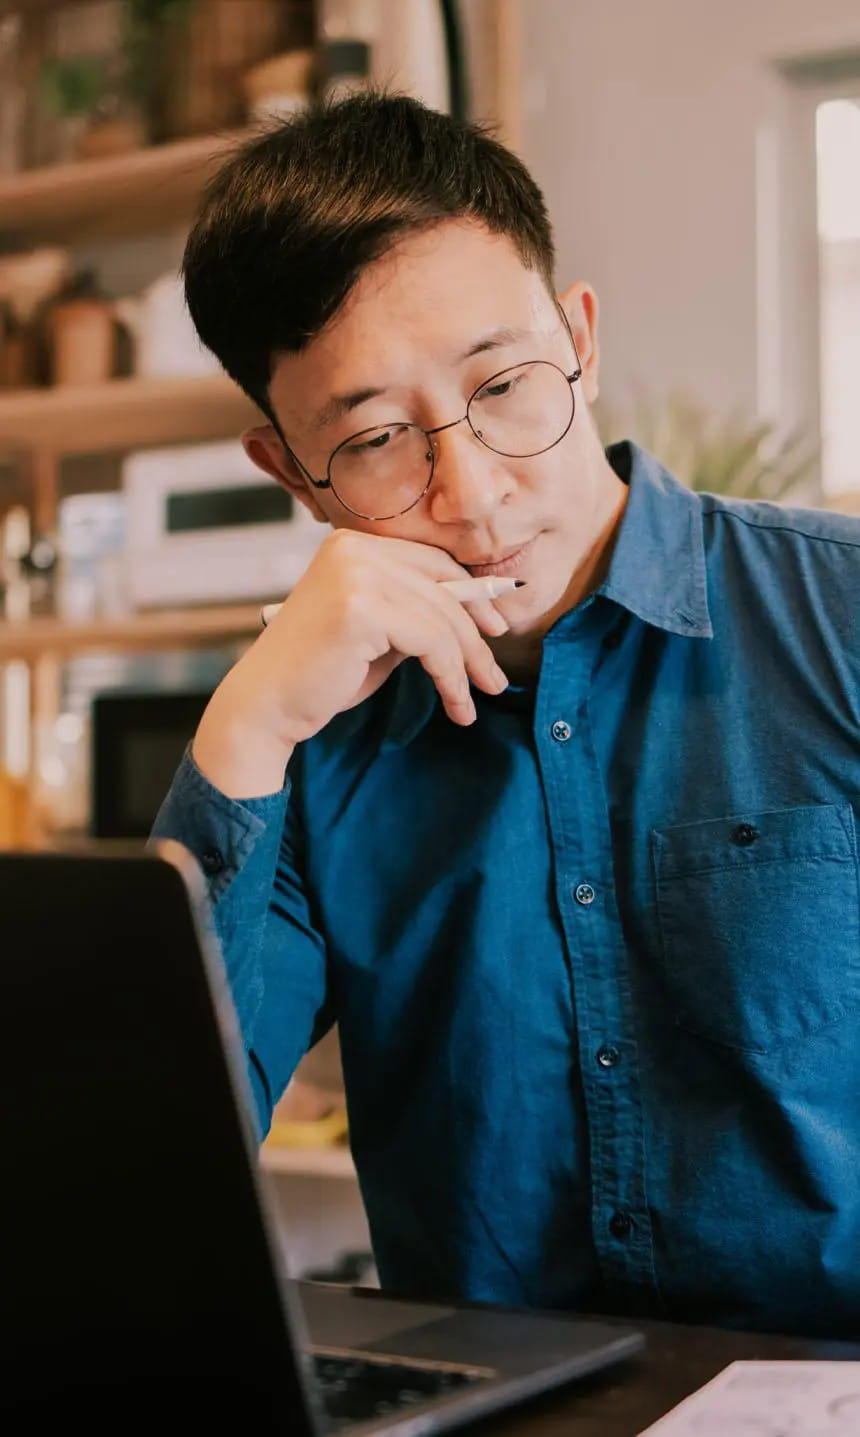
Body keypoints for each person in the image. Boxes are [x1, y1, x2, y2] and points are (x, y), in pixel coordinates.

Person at [152, 91, 860, 1339]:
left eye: (505, 383)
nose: (471, 494)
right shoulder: (312, 735)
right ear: (291, 472)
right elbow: (144, 1158)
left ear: (578, 338)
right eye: (374, 440)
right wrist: (247, 730)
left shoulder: (838, 614)